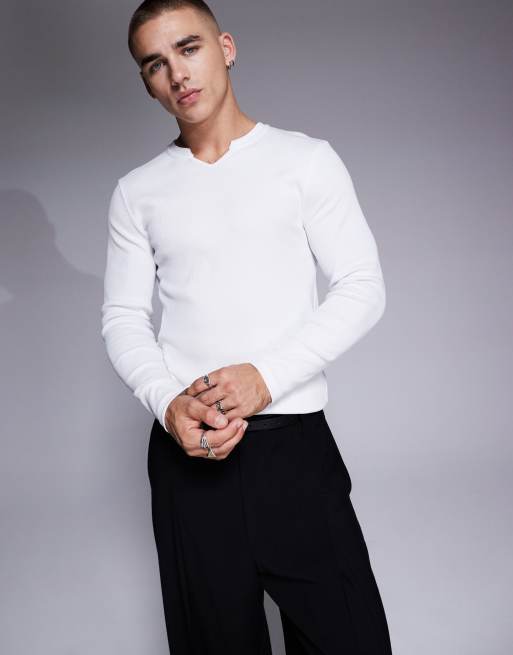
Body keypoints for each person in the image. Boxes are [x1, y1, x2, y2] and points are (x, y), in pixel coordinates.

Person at [101, 0, 393, 653]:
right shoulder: (137, 192)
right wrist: (167, 403)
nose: (178, 73)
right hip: (188, 459)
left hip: (293, 450)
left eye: (189, 48)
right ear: (147, 83)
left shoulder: (304, 161)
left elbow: (361, 286)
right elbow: (122, 318)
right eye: (156, 64)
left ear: (225, 47)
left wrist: (265, 378)